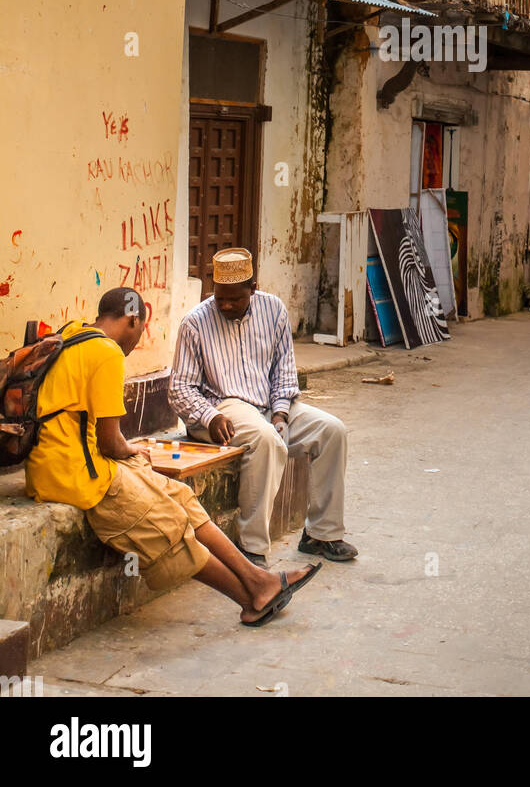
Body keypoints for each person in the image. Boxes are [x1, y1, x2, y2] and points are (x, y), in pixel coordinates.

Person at [25, 287, 319, 626]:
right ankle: (252, 594)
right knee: (171, 528)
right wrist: (133, 450)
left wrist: (129, 452)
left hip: (59, 464)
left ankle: (259, 579)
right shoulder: (106, 353)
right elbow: (111, 444)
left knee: (180, 496)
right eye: (141, 330)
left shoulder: (74, 332)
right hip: (76, 477)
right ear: (133, 319)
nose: (136, 342)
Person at [169, 249, 357, 568]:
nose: (226, 305)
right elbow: (179, 388)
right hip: (220, 407)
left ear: (252, 288)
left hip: (268, 404)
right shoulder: (195, 322)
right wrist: (208, 416)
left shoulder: (274, 310)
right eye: (220, 298)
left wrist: (282, 412)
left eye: (235, 299)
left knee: (331, 430)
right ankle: (251, 548)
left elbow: (284, 368)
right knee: (265, 439)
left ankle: (321, 535)